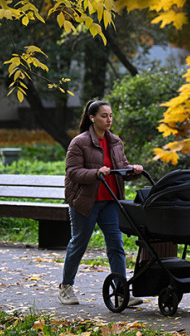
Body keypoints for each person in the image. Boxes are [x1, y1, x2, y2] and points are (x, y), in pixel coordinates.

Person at [58, 99, 143, 306]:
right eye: (104, 116)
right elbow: (73, 172)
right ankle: (65, 287)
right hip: (86, 202)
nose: (109, 120)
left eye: (111, 116)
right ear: (92, 118)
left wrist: (132, 170)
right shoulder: (79, 142)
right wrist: (95, 173)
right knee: (79, 243)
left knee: (116, 246)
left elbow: (120, 169)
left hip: (110, 203)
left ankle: (121, 292)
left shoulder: (115, 141)